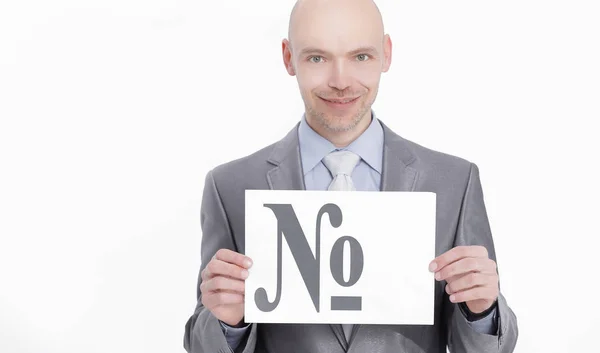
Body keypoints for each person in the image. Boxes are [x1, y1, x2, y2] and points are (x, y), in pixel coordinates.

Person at [183, 0, 518, 352]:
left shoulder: (454, 181)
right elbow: (201, 341)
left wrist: (482, 310)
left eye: (360, 57)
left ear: (386, 55)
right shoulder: (231, 187)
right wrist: (227, 321)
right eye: (317, 58)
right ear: (288, 57)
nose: (340, 82)